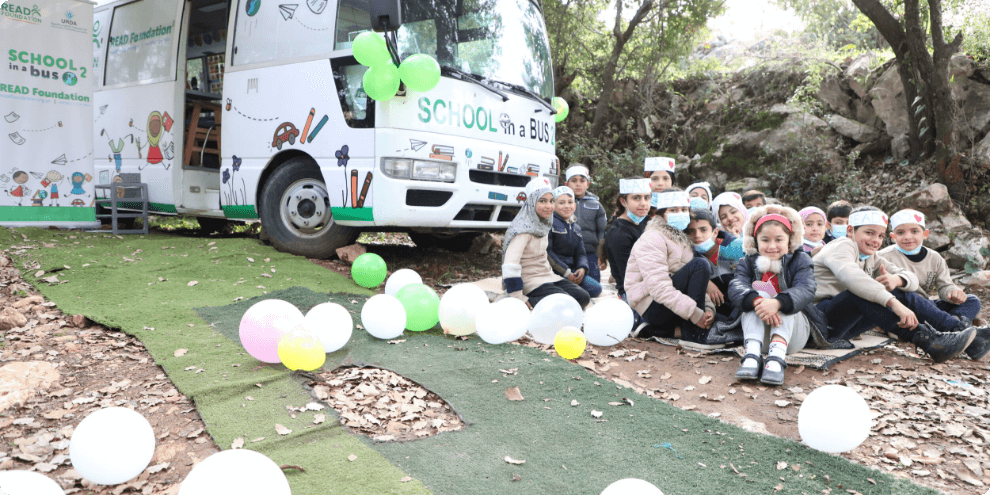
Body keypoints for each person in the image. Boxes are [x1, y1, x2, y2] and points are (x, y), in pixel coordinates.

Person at [812, 206, 983, 363]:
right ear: (851, 230)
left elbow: (911, 278)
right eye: (869, 233)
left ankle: (955, 338)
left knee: (897, 290)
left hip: (842, 326)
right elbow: (853, 278)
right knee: (862, 292)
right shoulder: (841, 245)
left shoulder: (871, 257)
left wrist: (897, 280)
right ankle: (938, 340)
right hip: (818, 324)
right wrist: (894, 303)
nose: (875, 240)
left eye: (880, 236)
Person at [728, 205, 825, 385]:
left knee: (784, 297)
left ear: (790, 240)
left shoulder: (801, 259)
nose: (772, 246)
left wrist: (778, 303)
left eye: (779, 239)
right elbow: (736, 285)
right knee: (757, 294)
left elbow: (806, 288)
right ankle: (751, 355)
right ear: (756, 241)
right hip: (757, 334)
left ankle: (776, 359)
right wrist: (757, 300)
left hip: (792, 337)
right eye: (765, 240)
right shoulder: (747, 262)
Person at [626, 189, 731, 346]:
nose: (680, 213)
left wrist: (708, 310)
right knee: (700, 264)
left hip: (675, 304)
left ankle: (661, 331)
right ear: (661, 214)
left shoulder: (682, 239)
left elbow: (694, 284)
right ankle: (694, 334)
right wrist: (696, 315)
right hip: (651, 304)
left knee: (727, 321)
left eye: (683, 209)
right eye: (673, 210)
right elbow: (659, 288)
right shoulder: (652, 238)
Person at [879, 209, 988, 359]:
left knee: (972, 300)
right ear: (892, 236)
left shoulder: (935, 258)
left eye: (914, 231)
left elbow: (945, 287)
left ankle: (953, 334)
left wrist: (952, 293)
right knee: (909, 294)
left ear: (925, 234)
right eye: (900, 232)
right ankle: (966, 335)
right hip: (904, 310)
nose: (908, 237)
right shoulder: (884, 257)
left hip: (928, 308)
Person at [502, 178, 591, 309]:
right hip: (530, 281)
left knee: (583, 297)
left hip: (548, 276)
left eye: (551, 201)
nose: (549, 206)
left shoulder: (543, 225)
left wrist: (566, 274)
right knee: (565, 302)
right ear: (532, 202)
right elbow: (510, 265)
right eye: (542, 201)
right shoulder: (522, 230)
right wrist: (518, 297)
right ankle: (529, 302)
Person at [685, 207, 744, 317]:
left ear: (715, 232)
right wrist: (705, 281)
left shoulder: (737, 247)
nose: (697, 235)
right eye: (691, 231)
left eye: (703, 230)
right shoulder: (687, 257)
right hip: (716, 313)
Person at [547, 185, 602, 298]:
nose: (567, 206)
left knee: (596, 288)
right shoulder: (550, 224)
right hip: (555, 272)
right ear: (553, 205)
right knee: (580, 294)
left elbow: (581, 253)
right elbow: (548, 253)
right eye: (561, 203)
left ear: (575, 206)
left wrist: (581, 268)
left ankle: (570, 290)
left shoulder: (576, 227)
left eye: (570, 202)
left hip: (573, 272)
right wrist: (566, 272)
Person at [601, 178, 651, 300]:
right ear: (623, 201)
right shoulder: (618, 233)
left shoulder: (646, 222)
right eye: (636, 198)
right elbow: (629, 276)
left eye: (647, 198)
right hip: (635, 294)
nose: (643, 203)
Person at [565, 165, 607, 286]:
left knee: (594, 285)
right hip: (567, 254)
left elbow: (602, 231)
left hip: (590, 253)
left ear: (588, 183)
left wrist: (601, 255)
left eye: (582, 180)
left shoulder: (596, 205)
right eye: (574, 180)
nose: (578, 184)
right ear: (566, 183)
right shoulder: (559, 203)